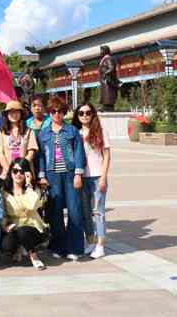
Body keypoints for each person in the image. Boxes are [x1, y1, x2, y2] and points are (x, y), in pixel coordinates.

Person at [38, 96, 87, 260]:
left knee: (74, 211)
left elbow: (79, 152)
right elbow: (41, 157)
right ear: (49, 113)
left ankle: (74, 248)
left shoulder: (72, 131)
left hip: (70, 174)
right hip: (52, 176)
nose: (56, 114)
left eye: (59, 111)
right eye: (53, 111)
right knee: (55, 213)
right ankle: (58, 247)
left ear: (64, 112)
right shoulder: (44, 133)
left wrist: (78, 174)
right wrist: (42, 176)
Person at [72, 103, 111, 259]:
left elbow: (107, 156)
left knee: (99, 211)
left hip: (97, 176)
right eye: (81, 113)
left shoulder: (100, 131)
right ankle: (90, 241)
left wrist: (103, 177)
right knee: (86, 212)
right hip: (82, 177)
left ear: (93, 114)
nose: (85, 116)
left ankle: (100, 245)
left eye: (88, 113)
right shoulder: (76, 133)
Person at [1, 158, 48, 270]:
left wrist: (28, 185)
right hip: (14, 227)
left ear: (27, 173)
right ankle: (19, 248)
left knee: (23, 232)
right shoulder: (4, 191)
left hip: (33, 227)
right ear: (10, 172)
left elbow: (31, 206)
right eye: (15, 171)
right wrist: (4, 226)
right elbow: (3, 212)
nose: (18, 174)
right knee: (6, 245)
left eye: (22, 171)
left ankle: (34, 256)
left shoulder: (34, 188)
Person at [0, 100, 38, 182]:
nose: (14, 114)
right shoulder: (1, 132)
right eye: (11, 112)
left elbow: (31, 152)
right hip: (6, 174)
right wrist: (10, 171)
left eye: (16, 112)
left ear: (21, 113)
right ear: (7, 115)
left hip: (24, 173)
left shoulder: (28, 131)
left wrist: (20, 167)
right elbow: (1, 154)